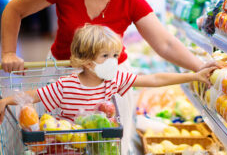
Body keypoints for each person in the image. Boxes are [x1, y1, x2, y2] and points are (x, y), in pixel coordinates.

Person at [0, 0, 219, 154]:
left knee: (106, 146)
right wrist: (8, 52)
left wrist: (201, 67)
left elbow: (165, 43)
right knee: (58, 142)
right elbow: (14, 9)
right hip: (63, 76)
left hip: (109, 80)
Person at [0, 24, 215, 126]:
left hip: (101, 145)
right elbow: (35, 95)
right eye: (106, 56)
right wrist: (7, 101)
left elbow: (154, 79)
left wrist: (194, 76)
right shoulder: (66, 85)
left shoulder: (114, 80)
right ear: (86, 60)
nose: (113, 61)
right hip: (68, 146)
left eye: (115, 55)